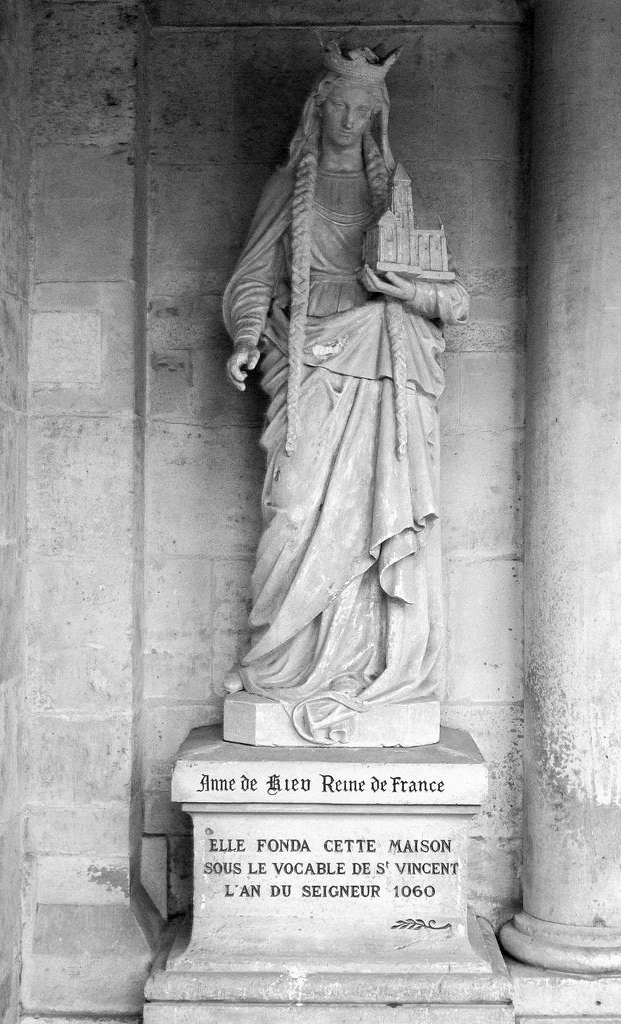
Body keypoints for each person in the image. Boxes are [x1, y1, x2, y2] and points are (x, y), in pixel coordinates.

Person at [223, 41, 469, 745]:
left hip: (385, 364)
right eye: (341, 105)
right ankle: (278, 662)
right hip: (306, 359)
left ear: (377, 119)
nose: (350, 119)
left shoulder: (398, 191)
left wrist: (403, 291)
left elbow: (454, 297)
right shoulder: (286, 187)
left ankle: (365, 669)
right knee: (295, 509)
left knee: (375, 510)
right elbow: (250, 278)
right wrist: (246, 337)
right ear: (318, 108)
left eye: (365, 109)